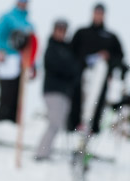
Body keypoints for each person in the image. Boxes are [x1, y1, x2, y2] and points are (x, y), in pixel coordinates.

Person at [68, 3, 124, 134]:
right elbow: (71, 53)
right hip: (80, 79)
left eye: (101, 13)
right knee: (78, 104)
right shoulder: (82, 33)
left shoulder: (111, 37)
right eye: (96, 13)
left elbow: (119, 57)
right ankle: (75, 126)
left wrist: (108, 59)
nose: (98, 16)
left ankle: (91, 130)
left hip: (100, 81)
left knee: (96, 106)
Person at [35, 19, 79, 161]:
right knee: (54, 122)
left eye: (63, 30)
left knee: (60, 123)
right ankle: (41, 154)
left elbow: (74, 69)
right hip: (53, 91)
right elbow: (58, 67)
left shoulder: (69, 49)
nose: (61, 32)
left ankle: (47, 151)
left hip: (65, 92)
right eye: (58, 29)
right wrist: (69, 70)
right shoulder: (51, 48)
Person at [0, 0, 34, 123]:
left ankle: (14, 123)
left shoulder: (28, 23)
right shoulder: (7, 18)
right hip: (9, 60)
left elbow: (32, 46)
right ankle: (3, 121)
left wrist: (33, 65)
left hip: (23, 62)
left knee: (18, 94)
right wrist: (0, 49)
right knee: (7, 93)